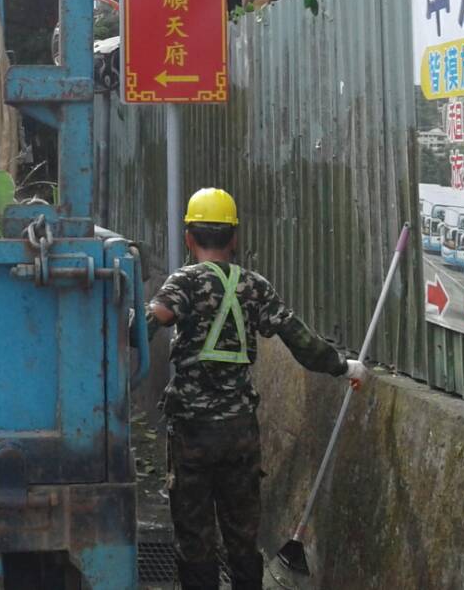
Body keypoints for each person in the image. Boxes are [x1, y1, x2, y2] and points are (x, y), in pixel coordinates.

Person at [147, 187, 367, 590]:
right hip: (239, 432)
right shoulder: (255, 286)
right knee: (242, 535)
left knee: (195, 537)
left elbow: (151, 320)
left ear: (188, 237)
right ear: (234, 238)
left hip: (193, 432)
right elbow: (299, 339)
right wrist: (343, 366)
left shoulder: (185, 283)